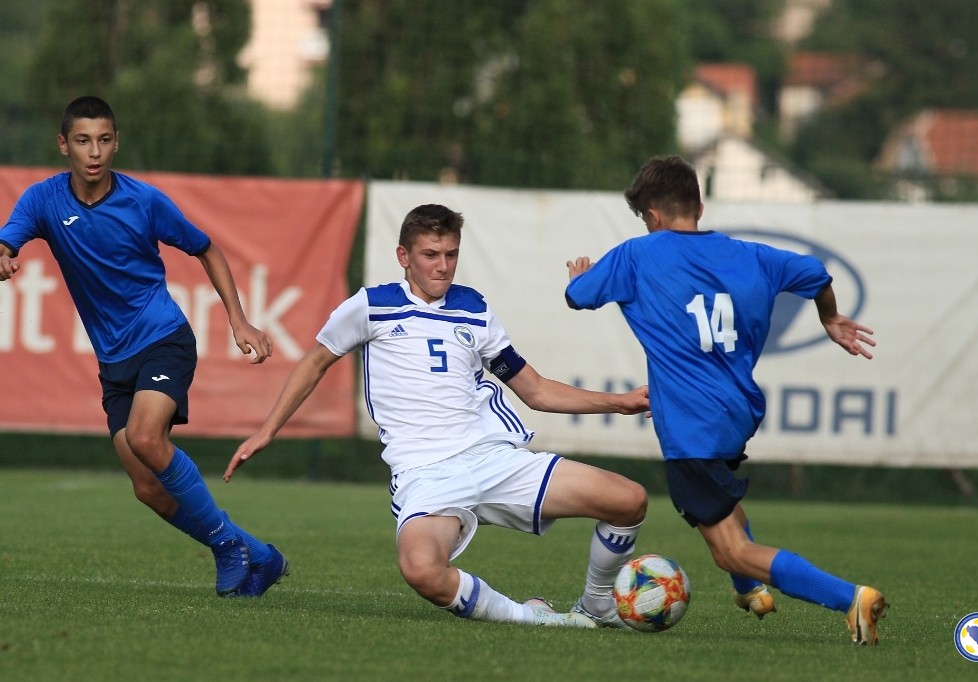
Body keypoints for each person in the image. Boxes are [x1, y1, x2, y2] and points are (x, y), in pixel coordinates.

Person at [224, 203, 649, 628]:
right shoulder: (371, 306)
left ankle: (597, 605)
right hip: (425, 473)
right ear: (404, 256)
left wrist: (619, 402)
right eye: (430, 254)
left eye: (451, 254)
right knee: (421, 570)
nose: (443, 266)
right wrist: (267, 431)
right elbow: (316, 361)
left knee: (628, 500)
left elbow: (534, 390)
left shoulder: (474, 309)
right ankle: (536, 619)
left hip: (493, 457)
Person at [564, 155, 888, 645]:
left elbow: (579, 296)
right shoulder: (753, 256)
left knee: (730, 549)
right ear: (699, 207)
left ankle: (852, 598)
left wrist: (577, 278)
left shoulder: (638, 254)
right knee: (723, 505)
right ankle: (749, 590)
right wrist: (830, 317)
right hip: (736, 413)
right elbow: (817, 274)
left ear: (651, 215)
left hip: (691, 427)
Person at [0, 96, 287, 597]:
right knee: (147, 487)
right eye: (83, 141)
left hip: (163, 338)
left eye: (104, 140)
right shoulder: (43, 201)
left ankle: (226, 547)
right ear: (64, 145)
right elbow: (7, 242)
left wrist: (238, 320)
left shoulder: (144, 201)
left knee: (146, 438)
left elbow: (206, 249)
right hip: (114, 360)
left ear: (117, 143)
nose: (94, 152)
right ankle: (259, 555)